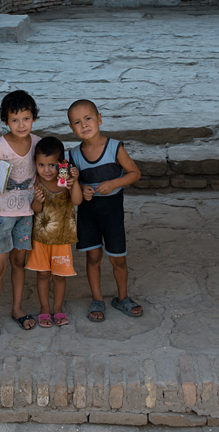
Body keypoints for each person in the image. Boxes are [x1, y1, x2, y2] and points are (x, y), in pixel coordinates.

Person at [67, 99, 143, 322]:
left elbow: (134, 173)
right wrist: (81, 188)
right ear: (72, 128)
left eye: (88, 118)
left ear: (99, 119)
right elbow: (71, 187)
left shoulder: (114, 148)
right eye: (77, 122)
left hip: (112, 213)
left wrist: (113, 183)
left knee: (118, 258)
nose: (84, 125)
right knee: (93, 256)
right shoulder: (74, 155)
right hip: (89, 215)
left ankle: (123, 298)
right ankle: (97, 299)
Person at [0, 89, 40, 338]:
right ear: (6, 121)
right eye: (14, 120)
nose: (21, 124)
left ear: (33, 117)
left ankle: (16, 308)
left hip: (26, 214)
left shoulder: (37, 144)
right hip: (1, 216)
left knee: (19, 262)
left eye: (26, 118)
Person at [26, 137, 82, 327]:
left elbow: (77, 201)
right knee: (42, 275)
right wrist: (37, 201)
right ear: (35, 163)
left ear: (61, 164)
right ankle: (44, 308)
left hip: (62, 239)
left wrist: (74, 183)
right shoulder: (36, 182)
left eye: (52, 165)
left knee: (59, 276)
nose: (46, 170)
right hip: (40, 239)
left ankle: (57, 309)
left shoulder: (64, 181)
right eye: (41, 165)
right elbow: (36, 210)